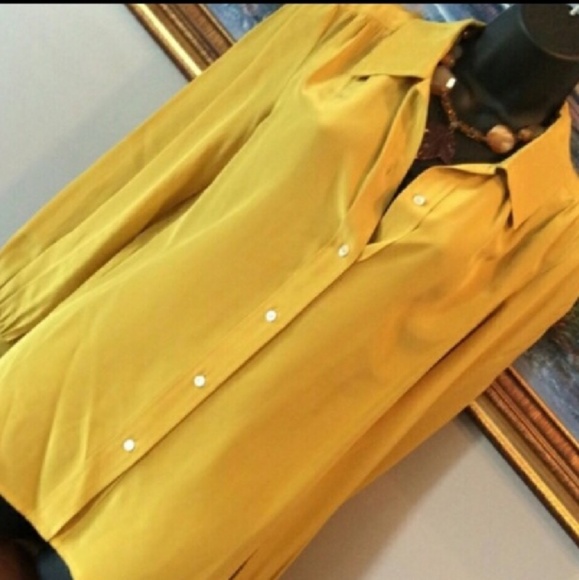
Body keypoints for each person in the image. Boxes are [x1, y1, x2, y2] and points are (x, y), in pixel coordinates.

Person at [0, 4, 578, 579]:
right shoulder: (343, 30)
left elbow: (413, 404)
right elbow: (156, 168)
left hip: (204, 494)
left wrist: (270, 543)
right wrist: (15, 305)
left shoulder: (557, 239)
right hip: (72, 382)